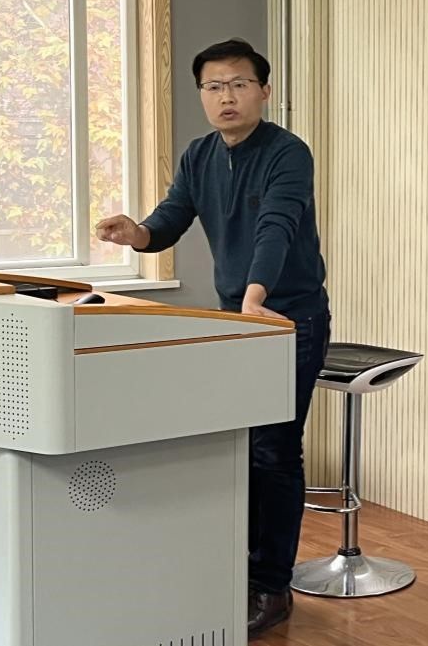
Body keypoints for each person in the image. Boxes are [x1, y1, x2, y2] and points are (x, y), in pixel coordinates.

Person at [95, 38, 330, 636]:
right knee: (238, 447)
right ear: (202, 95)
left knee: (275, 450)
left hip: (287, 319)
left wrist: (255, 297)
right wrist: (137, 233)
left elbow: (277, 225)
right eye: (214, 86)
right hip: (237, 320)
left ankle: (272, 586)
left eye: (239, 84)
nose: (227, 96)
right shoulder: (199, 154)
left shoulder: (287, 152)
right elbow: (172, 218)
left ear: (264, 91)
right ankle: (237, 570)